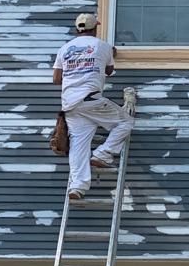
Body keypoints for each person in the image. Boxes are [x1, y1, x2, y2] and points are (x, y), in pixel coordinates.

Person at [52, 11, 134, 200]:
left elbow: (56, 79)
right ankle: (103, 154)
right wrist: (107, 55)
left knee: (79, 145)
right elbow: (109, 70)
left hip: (70, 105)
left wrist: (76, 68)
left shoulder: (65, 49)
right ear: (95, 28)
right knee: (125, 122)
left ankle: (77, 188)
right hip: (90, 99)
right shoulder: (102, 46)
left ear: (77, 28)